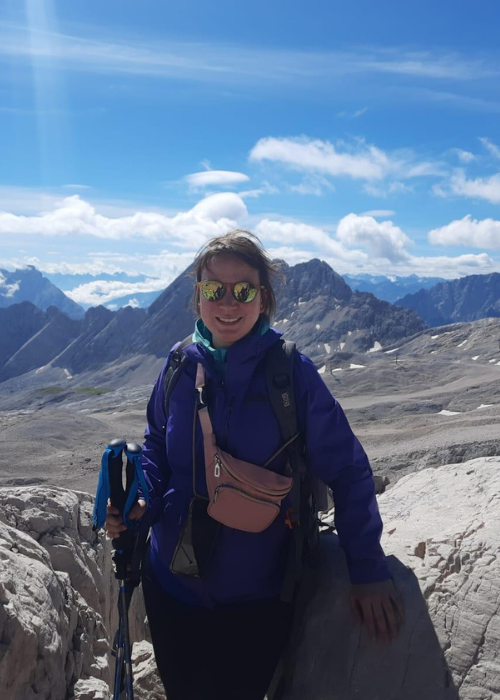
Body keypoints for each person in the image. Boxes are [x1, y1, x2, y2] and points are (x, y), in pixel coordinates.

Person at [106, 230, 404, 700]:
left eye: (243, 290)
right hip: (170, 587)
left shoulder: (291, 374)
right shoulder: (178, 366)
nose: (228, 302)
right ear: (198, 297)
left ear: (263, 299)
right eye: (214, 289)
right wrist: (141, 500)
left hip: (258, 597)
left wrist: (367, 570)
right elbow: (157, 447)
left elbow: (348, 470)